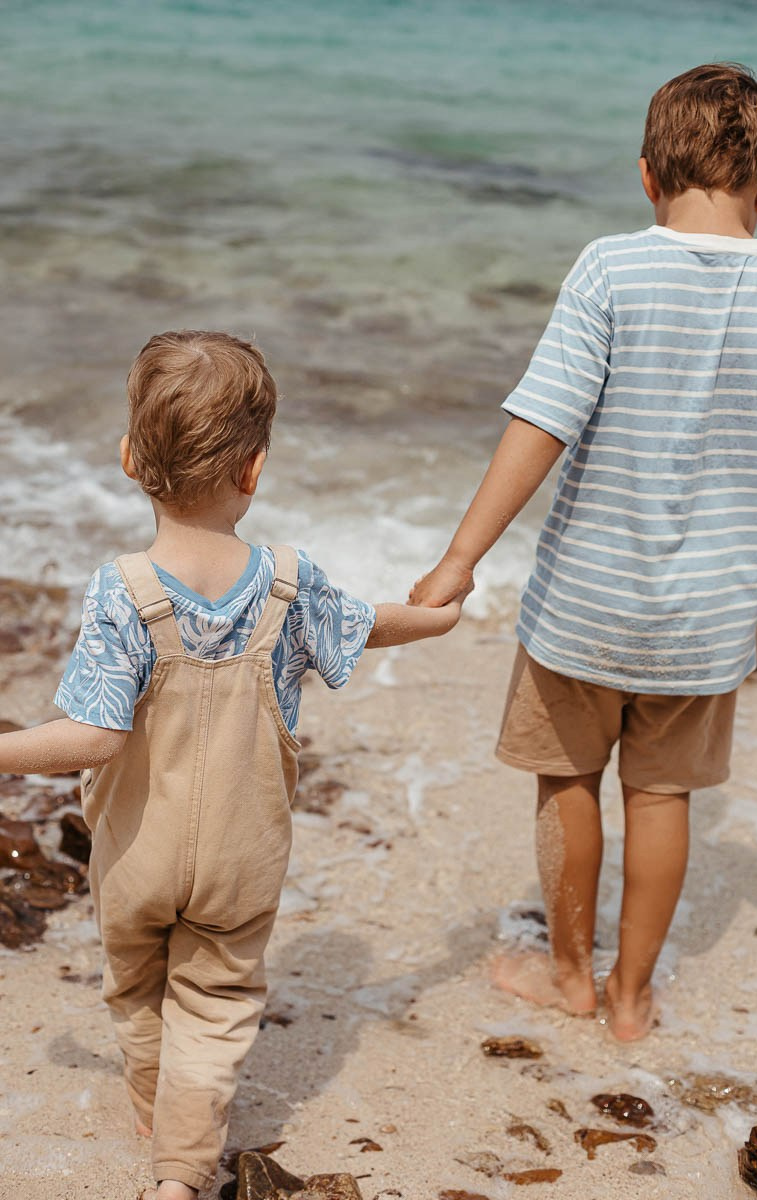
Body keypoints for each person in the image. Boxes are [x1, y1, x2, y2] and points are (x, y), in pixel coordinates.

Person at [0, 330, 466, 1200]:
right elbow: (366, 622)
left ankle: (151, 1105)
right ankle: (181, 1172)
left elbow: (93, 736)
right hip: (243, 856)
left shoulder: (123, 591)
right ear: (254, 471)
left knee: (135, 985)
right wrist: (438, 615)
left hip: (135, 849)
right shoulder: (288, 582)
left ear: (131, 457)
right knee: (214, 1008)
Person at [410, 63, 757, 1042]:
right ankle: (631, 999)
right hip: (706, 622)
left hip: (581, 604)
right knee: (660, 793)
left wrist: (460, 559)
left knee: (566, 780)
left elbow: (540, 420)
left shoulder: (608, 268)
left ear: (643, 175)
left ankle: (568, 976)